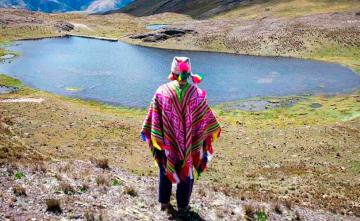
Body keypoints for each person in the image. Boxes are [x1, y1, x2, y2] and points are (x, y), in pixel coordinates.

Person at [141, 56, 221, 220]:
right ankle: (183, 208)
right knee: (186, 173)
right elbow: (206, 120)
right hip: (189, 145)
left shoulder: (161, 91)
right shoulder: (197, 94)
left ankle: (164, 203)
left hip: (167, 145)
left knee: (165, 169)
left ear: (172, 72)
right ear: (189, 73)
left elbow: (153, 119)